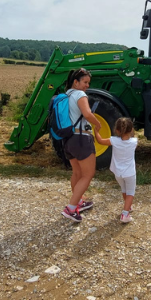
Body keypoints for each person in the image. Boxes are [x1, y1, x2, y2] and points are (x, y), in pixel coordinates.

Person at [61, 68, 102, 223]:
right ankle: (71, 208)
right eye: (85, 82)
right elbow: (87, 114)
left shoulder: (66, 95)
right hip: (82, 138)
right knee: (88, 174)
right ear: (75, 82)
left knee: (77, 173)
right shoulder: (80, 94)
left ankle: (78, 202)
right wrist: (97, 125)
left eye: (88, 83)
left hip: (68, 139)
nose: (87, 86)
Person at [94, 117, 137, 224]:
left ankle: (128, 206)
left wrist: (96, 131)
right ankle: (125, 214)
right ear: (131, 130)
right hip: (130, 173)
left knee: (124, 189)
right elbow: (131, 139)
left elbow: (100, 141)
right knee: (131, 192)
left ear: (117, 130)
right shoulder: (135, 142)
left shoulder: (113, 141)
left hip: (118, 172)